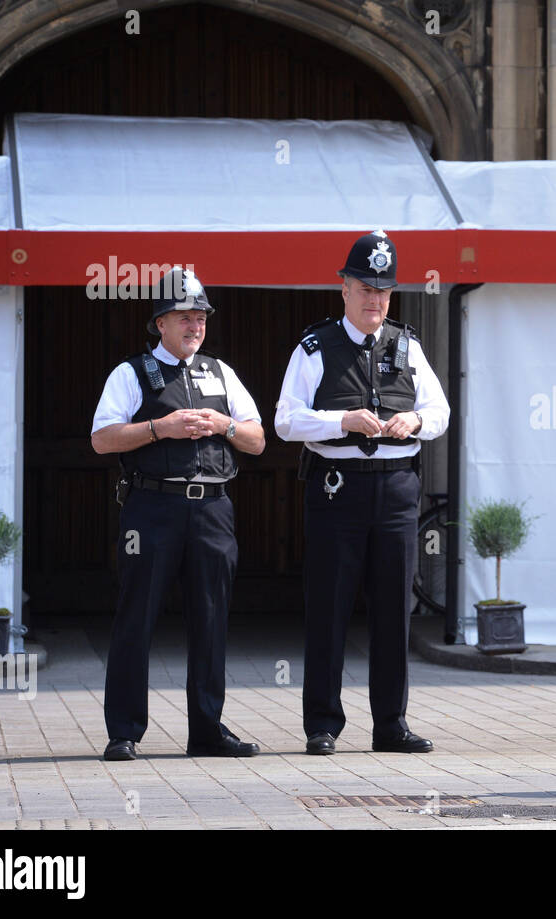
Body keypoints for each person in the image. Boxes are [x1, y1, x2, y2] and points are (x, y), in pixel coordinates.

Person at [275, 230, 450, 756]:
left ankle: (390, 725)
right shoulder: (315, 346)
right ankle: (322, 724)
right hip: (338, 489)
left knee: (394, 611)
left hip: (397, 490)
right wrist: (340, 421)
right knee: (328, 607)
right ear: (344, 289)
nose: (375, 298)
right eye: (365, 287)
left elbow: (440, 414)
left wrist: (413, 420)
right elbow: (285, 420)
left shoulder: (409, 344)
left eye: (384, 289)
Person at [91, 267, 266, 761]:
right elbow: (102, 438)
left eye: (201, 318)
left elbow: (257, 440)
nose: (195, 327)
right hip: (153, 508)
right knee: (136, 616)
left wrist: (226, 424)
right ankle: (124, 730)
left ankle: (207, 731)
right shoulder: (131, 374)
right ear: (161, 323)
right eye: (185, 318)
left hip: (213, 508)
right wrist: (159, 428)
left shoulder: (221, 372)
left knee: (211, 620)